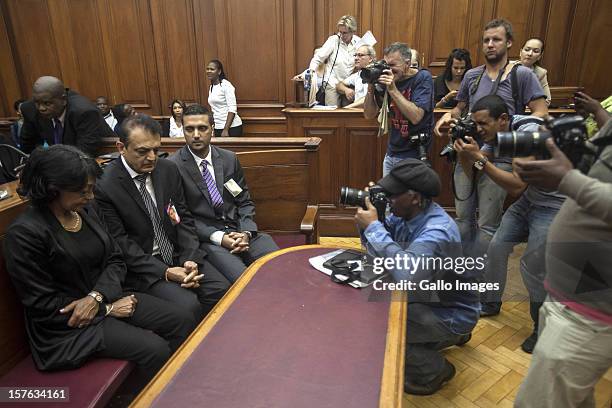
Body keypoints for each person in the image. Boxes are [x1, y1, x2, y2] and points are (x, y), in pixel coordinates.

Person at [3, 145, 196, 378]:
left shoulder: (85, 210)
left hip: (107, 295)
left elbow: (115, 259)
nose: (91, 197)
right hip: (68, 326)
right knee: (155, 349)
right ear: (54, 189)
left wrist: (97, 298)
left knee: (182, 319)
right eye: (83, 192)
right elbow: (42, 304)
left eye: (91, 190)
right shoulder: (24, 234)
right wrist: (107, 309)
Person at [356, 159, 479, 395]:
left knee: (381, 333)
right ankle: (449, 336)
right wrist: (370, 223)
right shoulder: (408, 213)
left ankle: (434, 371)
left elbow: (407, 276)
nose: (388, 201)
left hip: (450, 311)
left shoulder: (437, 231)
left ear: (414, 196)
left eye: (391, 195)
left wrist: (374, 228)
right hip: (430, 298)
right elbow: (380, 256)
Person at [513, 115, 612, 407]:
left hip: (590, 316)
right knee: (572, 399)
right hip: (564, 298)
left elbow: (581, 183)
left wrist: (568, 180)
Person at [453, 94, 565, 353]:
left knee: (533, 267)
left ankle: (542, 328)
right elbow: (474, 165)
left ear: (503, 119)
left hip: (555, 204)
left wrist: (479, 159)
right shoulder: (498, 135)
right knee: (496, 247)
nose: (479, 130)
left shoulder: (529, 131)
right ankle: (491, 303)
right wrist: (465, 152)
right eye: (476, 124)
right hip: (531, 200)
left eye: (483, 124)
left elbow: (515, 186)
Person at [95, 114, 230, 321]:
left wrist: (190, 258)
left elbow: (182, 217)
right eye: (142, 151)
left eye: (155, 150)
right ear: (121, 147)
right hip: (145, 266)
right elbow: (121, 243)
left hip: (178, 254)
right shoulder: (105, 186)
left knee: (222, 290)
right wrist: (166, 272)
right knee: (189, 305)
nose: (151, 157)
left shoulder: (167, 169)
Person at [433, 19, 548, 258]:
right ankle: (460, 269)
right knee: (463, 218)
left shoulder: (522, 75)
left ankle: (478, 273)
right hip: (468, 151)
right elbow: (460, 109)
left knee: (487, 223)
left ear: (509, 42)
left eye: (496, 39)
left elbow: (541, 113)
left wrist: (514, 134)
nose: (490, 44)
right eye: (486, 40)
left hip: (499, 157)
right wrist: (448, 115)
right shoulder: (472, 76)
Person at [169, 104, 279, 283]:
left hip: (239, 230)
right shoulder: (173, 166)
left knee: (278, 264)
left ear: (212, 129)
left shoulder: (229, 159)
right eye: (190, 129)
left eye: (202, 128)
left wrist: (245, 232)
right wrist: (219, 238)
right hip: (209, 239)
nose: (196, 134)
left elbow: (243, 201)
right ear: (183, 130)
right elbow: (181, 217)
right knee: (245, 281)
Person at [363, 42, 434, 175]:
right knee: (388, 195)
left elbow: (416, 117)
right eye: (386, 64)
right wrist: (371, 87)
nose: (388, 70)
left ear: (407, 64)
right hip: (392, 152)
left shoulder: (422, 78)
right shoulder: (386, 79)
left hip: (415, 154)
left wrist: (393, 89)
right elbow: (369, 114)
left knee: (409, 196)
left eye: (392, 65)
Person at [20, 76, 114, 157]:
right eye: (37, 103)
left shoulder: (84, 112)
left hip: (103, 157)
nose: (41, 108)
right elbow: (28, 148)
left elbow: (84, 152)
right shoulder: (30, 110)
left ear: (64, 100)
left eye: (47, 103)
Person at [308, 15, 362, 106]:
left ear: (353, 32)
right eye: (340, 32)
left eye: (345, 33)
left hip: (348, 84)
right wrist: (310, 71)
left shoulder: (359, 42)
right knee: (332, 114)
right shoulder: (333, 40)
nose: (341, 35)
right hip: (332, 82)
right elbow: (318, 58)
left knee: (349, 112)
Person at [206, 59, 243, 137]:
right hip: (218, 127)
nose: (209, 71)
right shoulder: (211, 87)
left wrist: (226, 130)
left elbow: (232, 109)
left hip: (231, 128)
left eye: (212, 69)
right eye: (207, 69)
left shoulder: (226, 85)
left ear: (219, 72)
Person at [518, 38, 551, 104]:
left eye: (535, 51)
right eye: (527, 50)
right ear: (520, 52)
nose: (530, 54)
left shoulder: (541, 73)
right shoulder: (508, 67)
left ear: (539, 56)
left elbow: (547, 100)